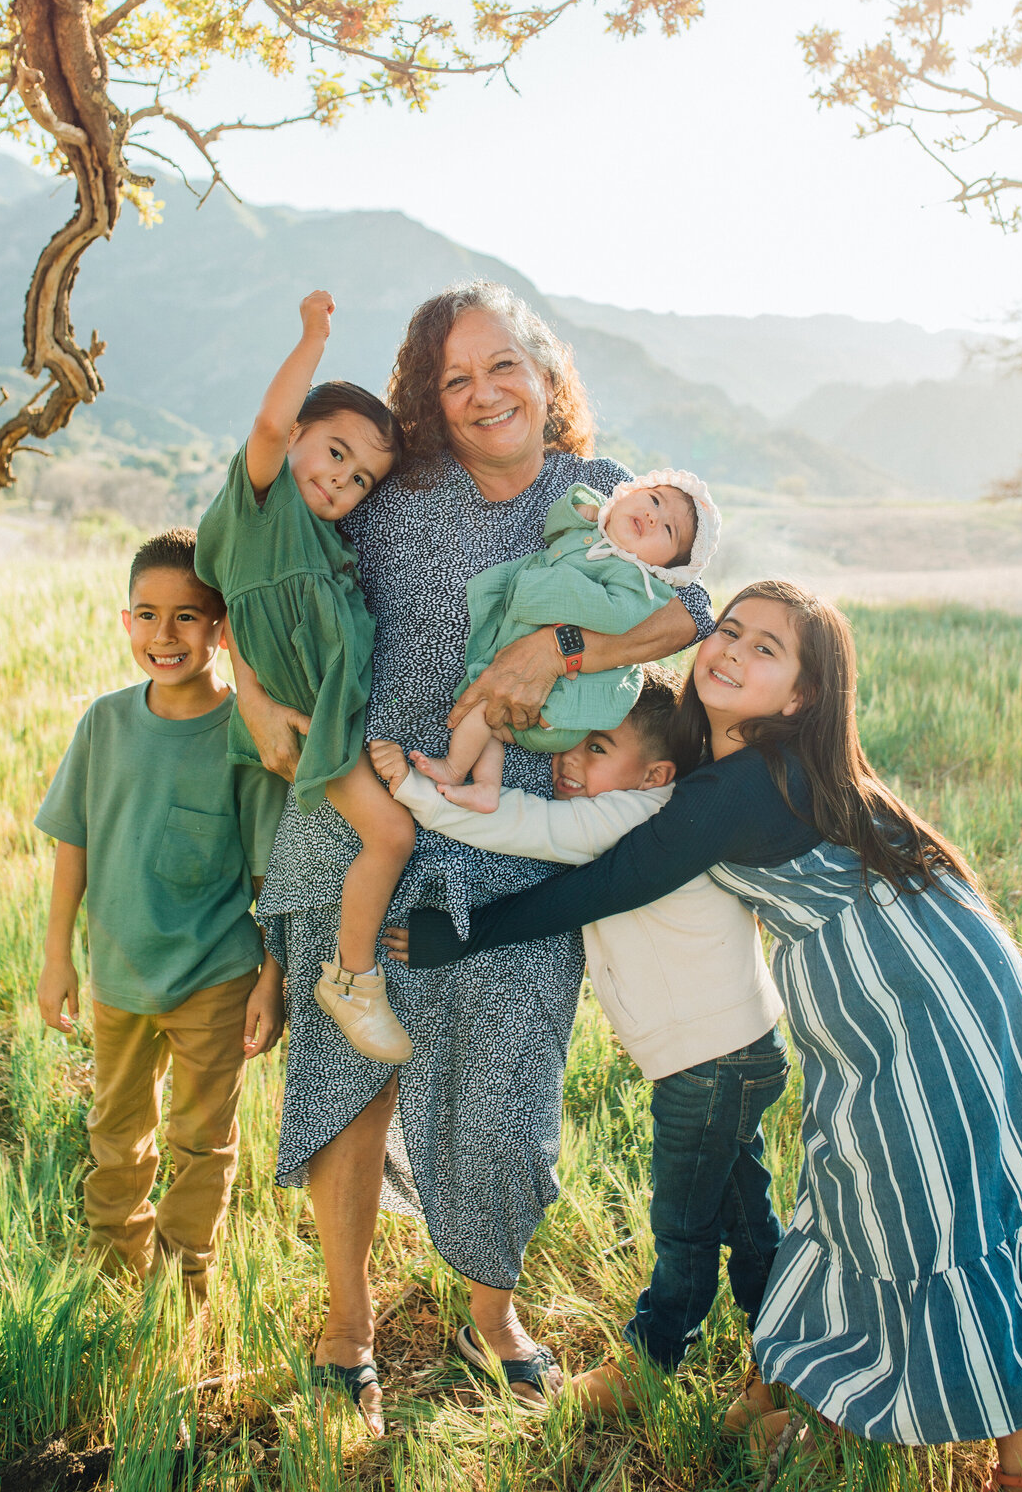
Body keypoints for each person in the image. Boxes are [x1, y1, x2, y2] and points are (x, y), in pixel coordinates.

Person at [398, 580, 1022, 1491]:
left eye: (766, 648)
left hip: (917, 987)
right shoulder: (723, 765)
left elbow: (610, 882)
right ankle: (802, 1391)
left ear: (801, 696)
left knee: (931, 1204)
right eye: (728, 630)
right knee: (856, 1192)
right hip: (883, 981)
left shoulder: (745, 783)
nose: (730, 649)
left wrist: (468, 933)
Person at [232, 279, 714, 1434]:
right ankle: (347, 1325)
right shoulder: (388, 492)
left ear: (547, 378)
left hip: (515, 830)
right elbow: (249, 568)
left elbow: (690, 608)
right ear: (429, 402)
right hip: (364, 803)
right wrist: (252, 699)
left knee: (504, 1085)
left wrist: (558, 648)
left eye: (503, 365)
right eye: (455, 379)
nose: (483, 391)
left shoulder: (601, 497)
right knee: (349, 1080)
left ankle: (489, 1312)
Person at [371, 662, 789, 1423]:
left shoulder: (634, 812)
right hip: (739, 1049)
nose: (568, 760)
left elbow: (520, 825)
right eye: (568, 742)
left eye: (595, 746)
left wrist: (410, 789)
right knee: (746, 1217)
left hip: (709, 1063)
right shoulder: (659, 807)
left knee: (687, 1228)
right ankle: (784, 1368)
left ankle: (653, 1356)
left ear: (654, 770)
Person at [34, 529, 288, 1305]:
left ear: (221, 630)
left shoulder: (245, 737)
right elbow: (72, 846)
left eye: (187, 617)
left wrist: (270, 980)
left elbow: (270, 879)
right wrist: (57, 958)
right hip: (116, 973)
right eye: (147, 615)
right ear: (125, 621)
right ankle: (117, 1280)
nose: (164, 635)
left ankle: (184, 1290)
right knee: (116, 1134)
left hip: (213, 976)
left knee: (202, 1138)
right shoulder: (104, 724)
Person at [195, 290, 416, 1065]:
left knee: (284, 859)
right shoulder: (265, 505)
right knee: (390, 833)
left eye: (360, 479)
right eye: (333, 453)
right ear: (296, 437)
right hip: (310, 723)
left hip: (334, 719)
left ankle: (299, 972)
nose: (340, 482)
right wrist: (313, 339)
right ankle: (352, 978)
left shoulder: (328, 543)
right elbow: (265, 426)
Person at [409, 471, 720, 812]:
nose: (652, 516)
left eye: (668, 529)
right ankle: (486, 786)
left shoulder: (636, 578)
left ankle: (454, 769)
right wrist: (583, 513)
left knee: (485, 709)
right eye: (654, 500)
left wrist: (556, 588)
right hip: (524, 683)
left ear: (667, 566)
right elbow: (554, 525)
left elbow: (615, 614)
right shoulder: (596, 531)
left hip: (560, 701)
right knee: (491, 718)